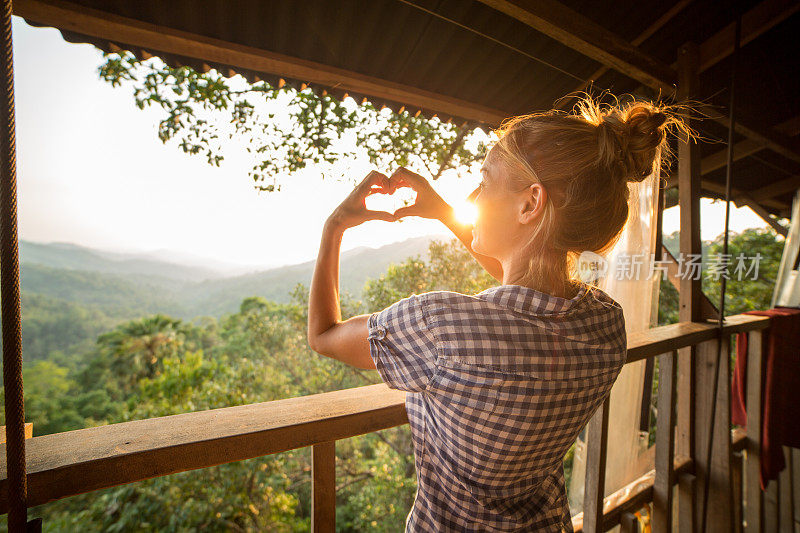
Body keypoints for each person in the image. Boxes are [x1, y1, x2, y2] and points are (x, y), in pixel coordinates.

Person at [307, 95, 687, 532]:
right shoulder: (605, 325)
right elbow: (523, 296)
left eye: (485, 182)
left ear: (530, 204)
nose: (473, 195)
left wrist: (334, 226)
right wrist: (445, 213)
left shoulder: (439, 327)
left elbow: (324, 334)